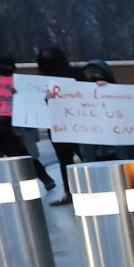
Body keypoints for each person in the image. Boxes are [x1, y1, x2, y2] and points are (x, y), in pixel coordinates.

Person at [0, 55, 57, 189]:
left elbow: (30, 102)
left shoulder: (19, 84)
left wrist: (17, 94)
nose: (4, 70)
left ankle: (45, 180)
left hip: (13, 128)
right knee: (4, 158)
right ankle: (19, 184)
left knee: (25, 157)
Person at [35, 46, 81, 205]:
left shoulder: (74, 74)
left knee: (84, 156)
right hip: (56, 126)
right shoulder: (40, 80)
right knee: (64, 160)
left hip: (78, 123)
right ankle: (69, 192)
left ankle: (92, 189)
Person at [74, 60, 134, 164]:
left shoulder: (120, 96)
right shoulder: (78, 98)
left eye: (98, 75)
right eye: (90, 76)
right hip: (92, 151)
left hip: (119, 150)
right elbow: (63, 111)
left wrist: (109, 89)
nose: (95, 79)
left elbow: (132, 114)